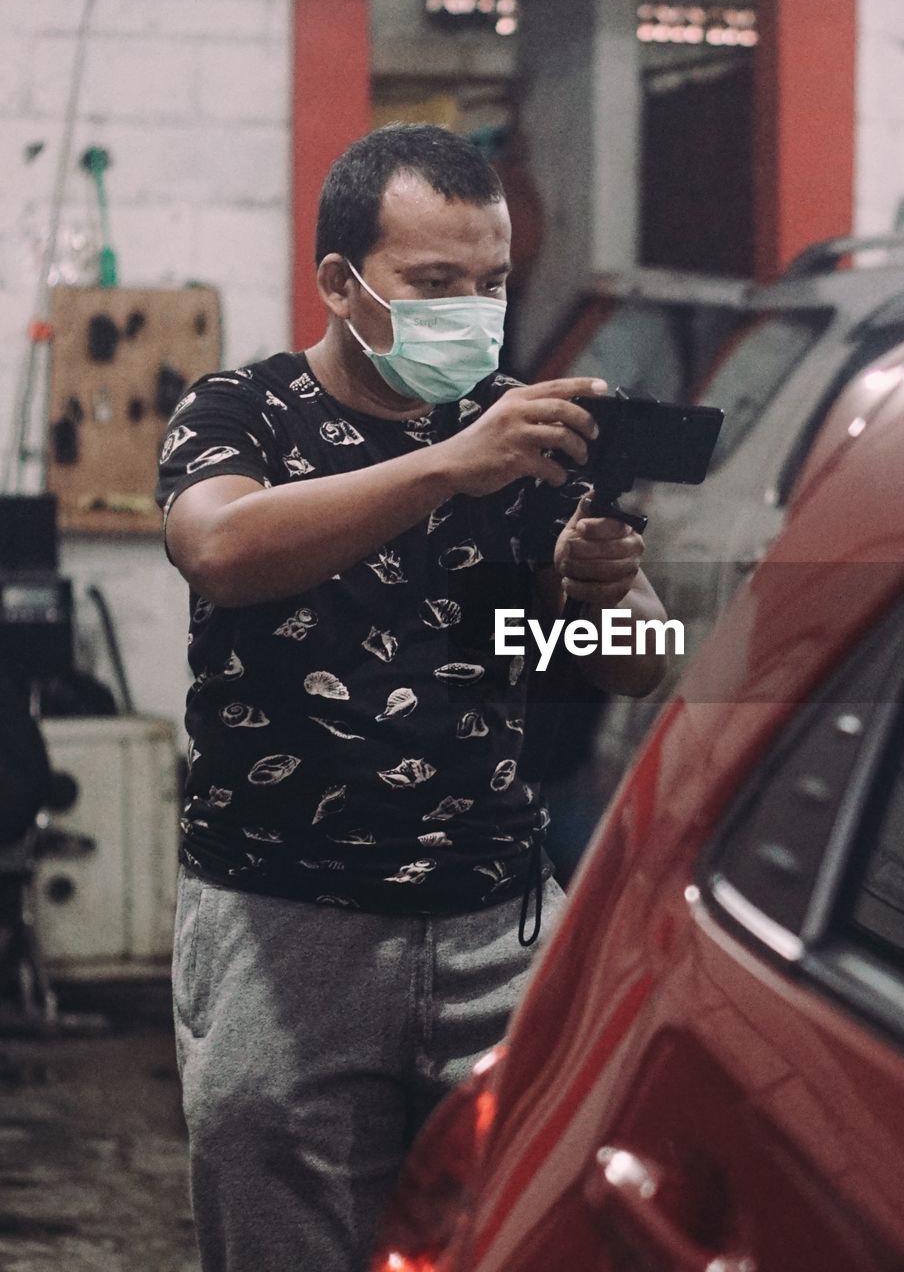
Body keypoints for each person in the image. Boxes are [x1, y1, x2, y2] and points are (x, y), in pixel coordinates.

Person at [155, 122, 667, 1272]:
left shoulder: (520, 429)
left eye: (490, 285)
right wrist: (450, 462)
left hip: (494, 920)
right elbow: (225, 548)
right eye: (433, 283)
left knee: (521, 1235)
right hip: (284, 929)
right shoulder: (244, 412)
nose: (471, 314)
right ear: (339, 282)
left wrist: (604, 588)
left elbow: (635, 655)